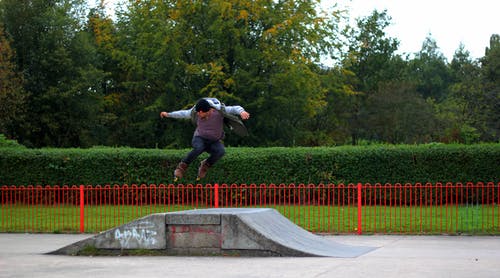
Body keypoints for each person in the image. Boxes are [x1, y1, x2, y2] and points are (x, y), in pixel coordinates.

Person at [160, 97, 250, 180]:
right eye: (198, 112)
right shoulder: (195, 112)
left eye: (201, 113)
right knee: (199, 147)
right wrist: (168, 114)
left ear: (209, 111)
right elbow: (183, 113)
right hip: (200, 137)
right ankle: (182, 167)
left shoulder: (220, 110)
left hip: (214, 141)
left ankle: (205, 165)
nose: (199, 114)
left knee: (221, 151)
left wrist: (241, 112)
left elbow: (234, 108)